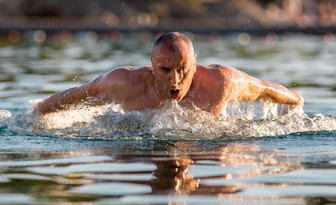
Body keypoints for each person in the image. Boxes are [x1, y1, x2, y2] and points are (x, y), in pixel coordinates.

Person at [34, 32, 303, 116]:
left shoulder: (221, 82)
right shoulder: (124, 82)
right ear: (152, 64)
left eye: (183, 70)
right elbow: (79, 94)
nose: (174, 80)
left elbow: (266, 89)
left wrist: (296, 101)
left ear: (195, 64)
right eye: (165, 70)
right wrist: (38, 114)